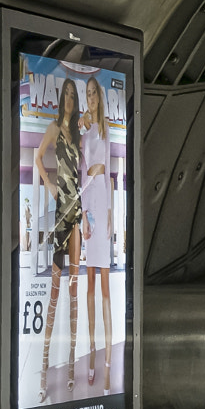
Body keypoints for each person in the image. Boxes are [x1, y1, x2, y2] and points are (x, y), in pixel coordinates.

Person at [31, 76, 83, 401]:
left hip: (75, 215)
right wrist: (49, 184)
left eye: (71, 95)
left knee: (74, 290)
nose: (67, 99)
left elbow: (79, 175)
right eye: (64, 94)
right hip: (59, 216)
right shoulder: (53, 129)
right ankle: (44, 366)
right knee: (53, 292)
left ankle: (73, 368)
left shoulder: (77, 135)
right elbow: (38, 159)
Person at [79, 78, 114, 388]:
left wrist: (110, 215)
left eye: (93, 92)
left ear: (99, 96)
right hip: (88, 196)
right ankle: (91, 352)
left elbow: (111, 175)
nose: (90, 97)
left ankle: (106, 359)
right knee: (89, 283)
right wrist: (82, 216)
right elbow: (81, 173)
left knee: (105, 287)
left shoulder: (106, 127)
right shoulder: (85, 130)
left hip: (103, 195)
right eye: (86, 93)